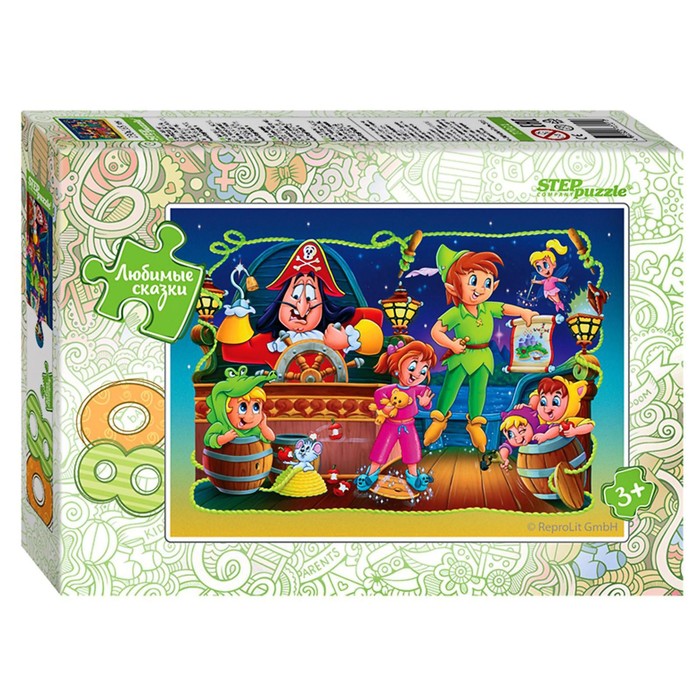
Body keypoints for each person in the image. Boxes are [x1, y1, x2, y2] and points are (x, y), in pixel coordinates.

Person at [423, 245, 538, 452]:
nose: (481, 289)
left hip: (484, 356)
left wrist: (524, 312)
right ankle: (439, 419)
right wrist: (451, 344)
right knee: (450, 387)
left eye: (487, 283)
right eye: (473, 281)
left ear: (494, 286)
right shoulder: (456, 313)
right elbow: (436, 331)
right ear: (453, 288)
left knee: (479, 390)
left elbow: (505, 308)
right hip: (461, 354)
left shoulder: (487, 307)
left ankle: (475, 423)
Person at [218, 240, 383, 369]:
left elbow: (375, 317)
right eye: (295, 294)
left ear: (323, 305)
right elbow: (231, 352)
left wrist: (347, 340)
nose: (302, 305)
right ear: (281, 299)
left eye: (311, 296)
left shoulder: (333, 332)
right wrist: (238, 314)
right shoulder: (270, 343)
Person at [355, 340, 437, 492]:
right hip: (391, 424)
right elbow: (379, 394)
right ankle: (371, 474)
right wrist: (385, 407)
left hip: (409, 425)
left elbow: (427, 397)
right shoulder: (390, 389)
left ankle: (413, 476)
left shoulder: (417, 389)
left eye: (423, 371)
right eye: (412, 367)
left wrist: (425, 403)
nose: (417, 374)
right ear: (398, 367)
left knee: (412, 451)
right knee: (381, 449)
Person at [203, 366, 276, 449]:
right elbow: (208, 439)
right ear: (225, 409)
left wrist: (264, 427)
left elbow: (271, 438)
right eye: (243, 408)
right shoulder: (221, 426)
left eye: (256, 408)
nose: (250, 416)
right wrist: (223, 439)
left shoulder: (255, 429)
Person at [497, 406, 550, 470]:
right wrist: (503, 458)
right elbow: (505, 447)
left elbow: (556, 428)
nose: (518, 440)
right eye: (511, 435)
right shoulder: (514, 441)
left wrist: (546, 436)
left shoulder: (540, 430)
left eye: (521, 431)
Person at [530, 239, 569, 313]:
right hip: (547, 292)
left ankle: (560, 304)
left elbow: (558, 279)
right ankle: (556, 304)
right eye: (539, 268)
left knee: (556, 298)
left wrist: (563, 280)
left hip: (552, 290)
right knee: (551, 298)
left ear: (554, 264)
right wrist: (534, 281)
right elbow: (540, 282)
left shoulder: (552, 278)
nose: (544, 270)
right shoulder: (545, 280)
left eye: (546, 265)